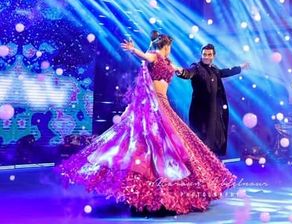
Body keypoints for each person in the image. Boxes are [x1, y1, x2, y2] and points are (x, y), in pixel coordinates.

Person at [58, 32, 235, 214]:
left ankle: (166, 191)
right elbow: (145, 56)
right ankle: (150, 192)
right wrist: (133, 49)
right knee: (154, 144)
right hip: (154, 104)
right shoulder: (155, 56)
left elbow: (182, 71)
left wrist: (181, 71)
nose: (170, 50)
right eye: (169, 47)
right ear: (166, 46)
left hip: (164, 104)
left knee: (171, 144)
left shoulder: (168, 62)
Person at [177, 43, 249, 156]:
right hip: (201, 111)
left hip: (214, 110)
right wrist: (181, 72)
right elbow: (188, 73)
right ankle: (201, 162)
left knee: (215, 137)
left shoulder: (215, 69)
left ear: (213, 56)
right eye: (204, 54)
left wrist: (240, 68)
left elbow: (226, 72)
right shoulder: (196, 67)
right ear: (201, 55)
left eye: (209, 54)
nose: (206, 57)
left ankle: (212, 162)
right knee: (202, 137)